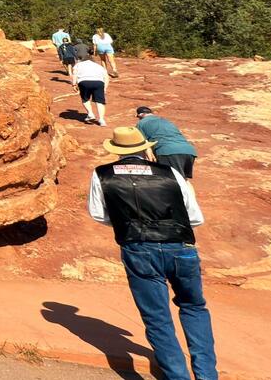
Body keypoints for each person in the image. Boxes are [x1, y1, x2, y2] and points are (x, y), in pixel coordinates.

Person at [88, 127, 217, 380]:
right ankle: (206, 376)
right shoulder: (171, 173)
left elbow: (98, 213)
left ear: (115, 151)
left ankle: (177, 376)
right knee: (194, 307)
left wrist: (127, 223)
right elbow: (195, 217)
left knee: (157, 318)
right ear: (144, 148)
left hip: (138, 248)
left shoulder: (102, 174)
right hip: (180, 247)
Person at [135, 106, 198, 179]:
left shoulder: (141, 123)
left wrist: (150, 163)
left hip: (167, 152)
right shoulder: (166, 121)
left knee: (169, 180)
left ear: (140, 115)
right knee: (183, 180)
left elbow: (145, 146)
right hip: (189, 151)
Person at [73, 52, 110, 126]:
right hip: (99, 82)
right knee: (100, 101)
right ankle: (102, 120)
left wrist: (74, 84)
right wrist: (105, 88)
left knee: (85, 98)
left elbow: (75, 74)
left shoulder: (79, 64)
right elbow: (106, 77)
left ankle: (90, 114)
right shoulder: (98, 66)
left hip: (84, 82)